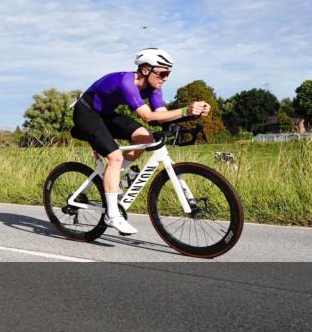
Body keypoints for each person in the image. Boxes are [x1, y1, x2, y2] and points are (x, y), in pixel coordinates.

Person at [71, 48, 210, 236]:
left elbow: (160, 116)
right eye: (163, 73)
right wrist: (186, 110)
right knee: (115, 157)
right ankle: (111, 215)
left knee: (145, 137)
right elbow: (147, 116)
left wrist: (192, 114)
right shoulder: (127, 82)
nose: (166, 78)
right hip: (85, 113)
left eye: (168, 73)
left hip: (105, 114)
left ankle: (116, 177)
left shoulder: (154, 89)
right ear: (146, 70)